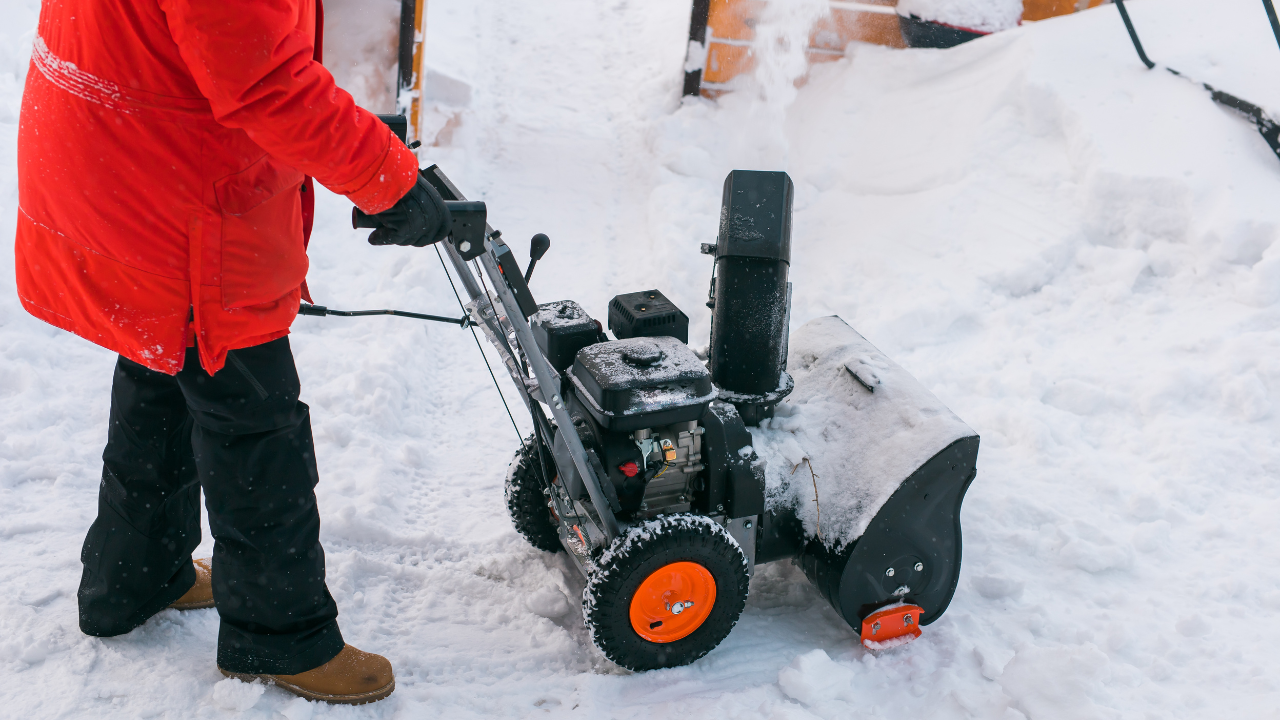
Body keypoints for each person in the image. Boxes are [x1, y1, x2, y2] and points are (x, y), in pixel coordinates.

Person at [15, 0, 451, 706]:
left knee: (164, 359)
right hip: (173, 188)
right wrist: (385, 175)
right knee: (254, 415)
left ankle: (132, 578)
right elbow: (262, 81)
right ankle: (280, 634)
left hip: (121, 153)